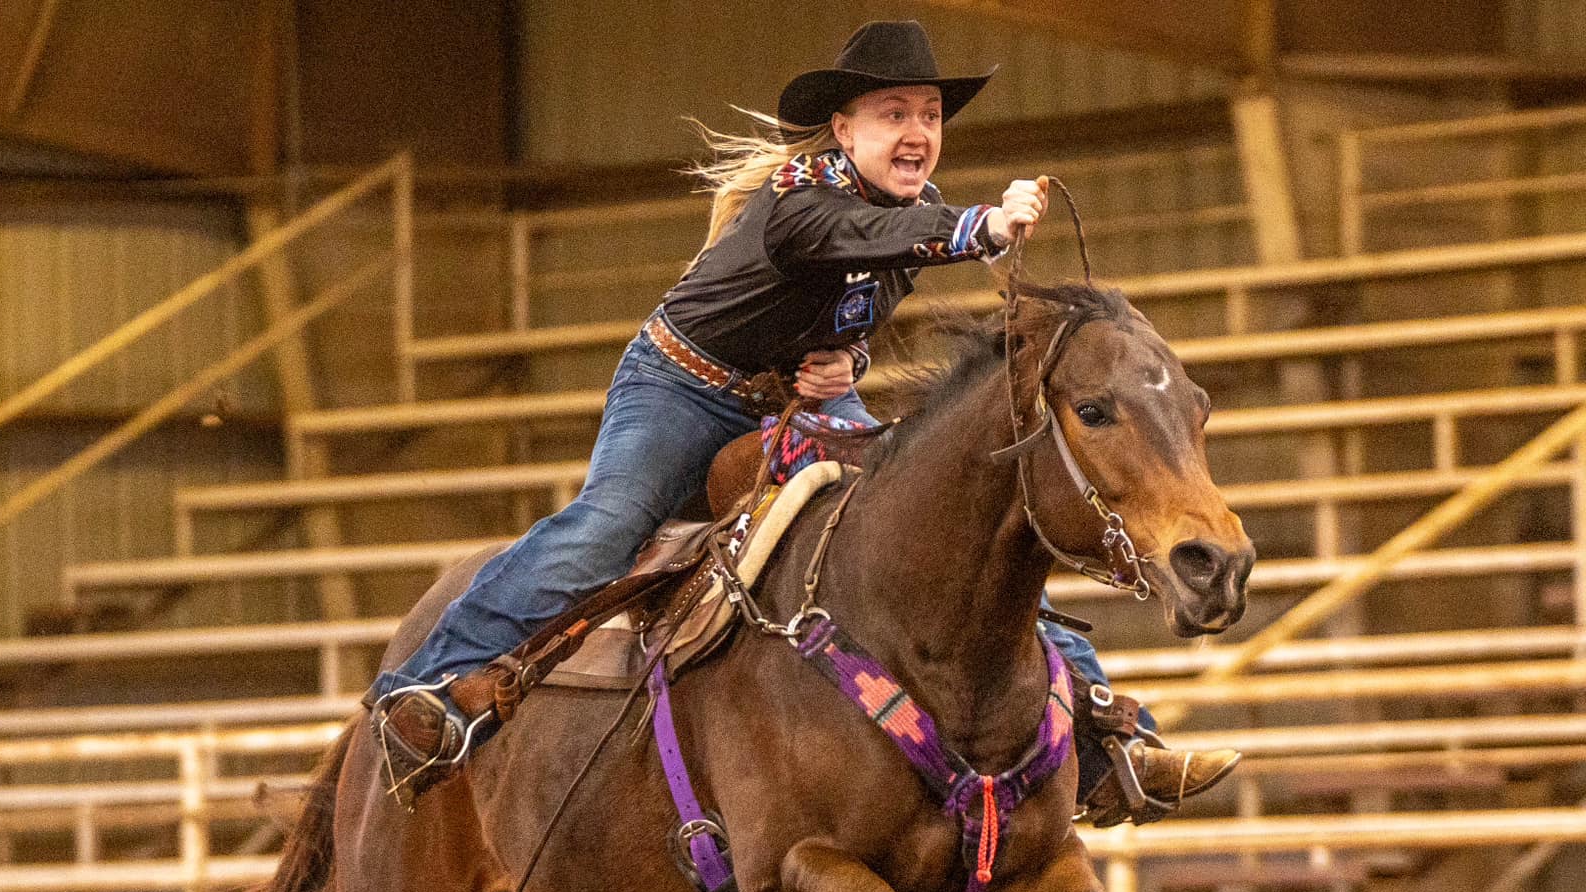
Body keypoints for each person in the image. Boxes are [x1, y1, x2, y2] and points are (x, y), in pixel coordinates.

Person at [369, 20, 1239, 822]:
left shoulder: (907, 219)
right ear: (844, 130)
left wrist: (847, 365)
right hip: (681, 387)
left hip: (803, 402)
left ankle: (1108, 737)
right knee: (605, 529)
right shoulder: (802, 196)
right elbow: (848, 238)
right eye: (894, 113)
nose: (917, 132)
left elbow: (852, 302)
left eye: (929, 115)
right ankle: (427, 687)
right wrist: (981, 226)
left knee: (948, 527)